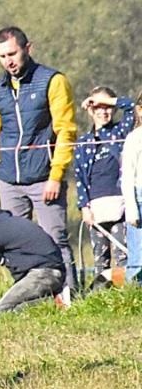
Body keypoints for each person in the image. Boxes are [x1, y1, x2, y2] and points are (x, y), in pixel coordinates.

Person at [0, 27, 77, 302]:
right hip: (9, 179)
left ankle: (69, 299)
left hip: (44, 177)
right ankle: (29, 300)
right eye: (2, 56)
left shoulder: (53, 81)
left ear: (27, 48)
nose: (8, 61)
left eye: (12, 53)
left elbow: (66, 131)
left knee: (55, 239)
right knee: (15, 246)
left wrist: (56, 175)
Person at [72, 86, 135, 286]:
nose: (103, 111)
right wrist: (84, 208)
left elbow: (133, 107)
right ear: (90, 111)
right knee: (101, 258)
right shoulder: (83, 142)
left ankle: (126, 294)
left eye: (107, 106)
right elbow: (80, 177)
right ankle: (102, 297)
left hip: (121, 204)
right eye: (97, 107)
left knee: (123, 254)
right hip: (96, 207)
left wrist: (111, 101)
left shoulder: (121, 131)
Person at [122, 93, 142, 283]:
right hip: (139, 199)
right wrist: (132, 208)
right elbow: (127, 175)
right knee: (139, 259)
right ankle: (135, 296)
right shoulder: (134, 138)